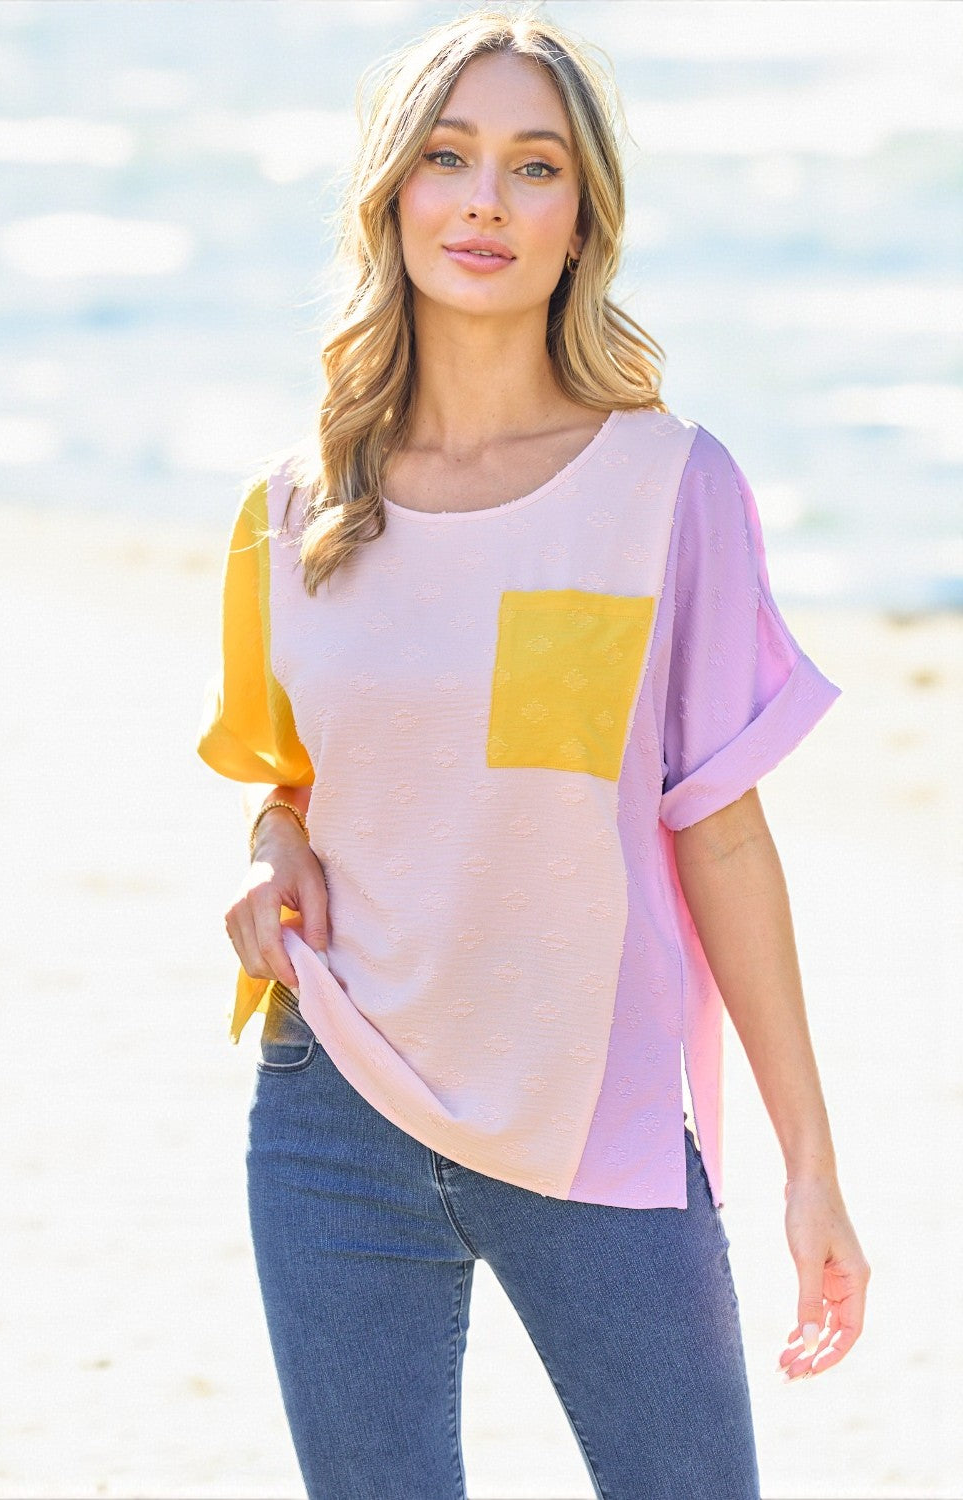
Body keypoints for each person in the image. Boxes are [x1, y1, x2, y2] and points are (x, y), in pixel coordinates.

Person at [196, 8, 870, 1497]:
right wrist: (269, 846)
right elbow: (297, 785)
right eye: (448, 158)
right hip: (335, 1108)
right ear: (394, 197)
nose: (486, 200)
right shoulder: (294, 509)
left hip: (598, 1125)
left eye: (534, 166)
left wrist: (806, 1165)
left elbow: (722, 831)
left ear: (583, 223)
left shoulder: (669, 489)